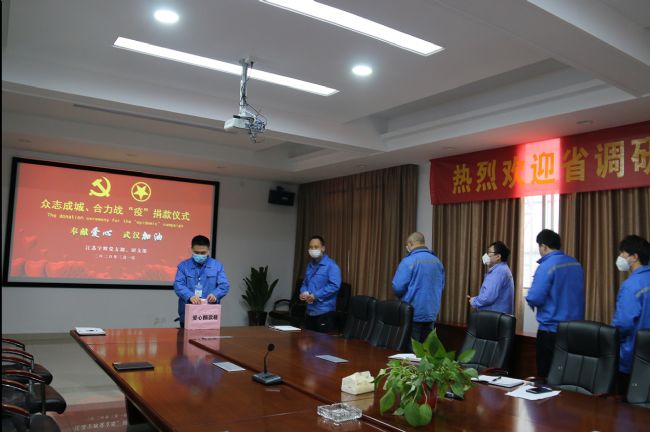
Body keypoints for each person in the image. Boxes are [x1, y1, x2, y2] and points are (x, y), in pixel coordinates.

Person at [526, 229, 584, 378]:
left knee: (547, 376)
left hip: (551, 331)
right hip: (575, 330)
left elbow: (535, 297)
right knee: (568, 376)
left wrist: (530, 300)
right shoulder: (575, 263)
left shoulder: (546, 266)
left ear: (544, 246)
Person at [612, 235, 650, 395]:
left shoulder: (631, 285)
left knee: (628, 404)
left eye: (623, 253)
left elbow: (623, 324)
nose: (620, 257)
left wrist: (612, 341)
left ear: (634, 257)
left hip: (632, 355)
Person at [392, 232, 445, 345]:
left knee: (412, 350)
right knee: (427, 350)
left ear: (410, 244)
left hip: (413, 313)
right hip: (431, 313)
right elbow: (441, 286)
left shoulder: (408, 261)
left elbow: (397, 287)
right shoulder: (437, 261)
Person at [174, 235, 229, 327]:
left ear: (208, 250)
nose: (200, 255)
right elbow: (178, 285)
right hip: (188, 315)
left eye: (203, 253)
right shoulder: (183, 266)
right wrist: (189, 296)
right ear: (191, 249)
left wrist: (215, 294)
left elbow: (224, 285)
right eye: (196, 252)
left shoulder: (217, 266)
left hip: (209, 315)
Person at [299, 235, 341, 333]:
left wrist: (316, 295)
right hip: (309, 311)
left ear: (323, 248)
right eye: (311, 247)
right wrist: (303, 292)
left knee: (321, 342)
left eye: (316, 247)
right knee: (308, 341)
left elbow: (334, 286)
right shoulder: (309, 266)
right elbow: (305, 283)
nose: (313, 249)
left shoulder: (332, 266)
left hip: (324, 313)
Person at [468, 241, 514, 314]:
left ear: (498, 256)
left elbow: (488, 298)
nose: (486, 255)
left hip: (494, 316)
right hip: (497, 315)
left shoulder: (498, 272)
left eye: (489, 252)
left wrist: (474, 301)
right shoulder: (502, 269)